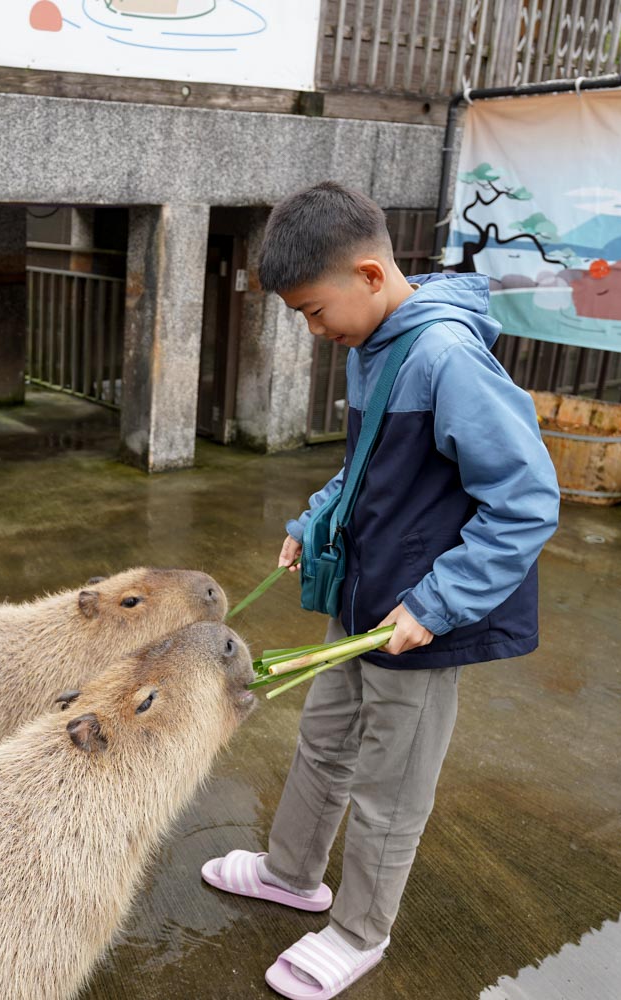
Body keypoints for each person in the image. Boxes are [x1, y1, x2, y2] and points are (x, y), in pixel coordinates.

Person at [201, 182, 560, 999]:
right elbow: (363, 466)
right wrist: (318, 515)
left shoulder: (445, 356)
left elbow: (528, 499)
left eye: (313, 311)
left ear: (368, 274)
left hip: (422, 621)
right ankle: (292, 873)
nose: (314, 331)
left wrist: (436, 605)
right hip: (362, 603)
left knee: (391, 784)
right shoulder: (377, 344)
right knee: (324, 742)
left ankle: (360, 931)